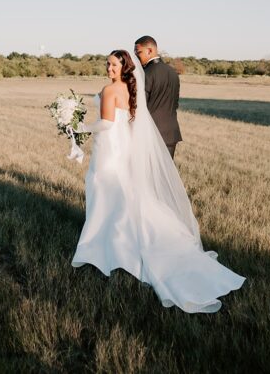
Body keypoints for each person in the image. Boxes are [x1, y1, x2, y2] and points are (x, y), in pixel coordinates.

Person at [71, 50, 243, 313]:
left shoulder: (110, 90)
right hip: (123, 146)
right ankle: (113, 238)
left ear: (124, 67)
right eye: (107, 64)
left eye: (113, 64)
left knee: (103, 189)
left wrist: (80, 128)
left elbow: (106, 123)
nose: (108, 68)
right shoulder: (130, 88)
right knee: (122, 194)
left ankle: (101, 244)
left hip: (109, 149)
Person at [134, 36, 182, 158]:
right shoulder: (173, 72)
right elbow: (175, 104)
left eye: (138, 52)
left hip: (150, 134)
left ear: (150, 50)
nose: (136, 56)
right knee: (167, 170)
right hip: (170, 133)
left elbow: (140, 106)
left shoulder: (144, 74)